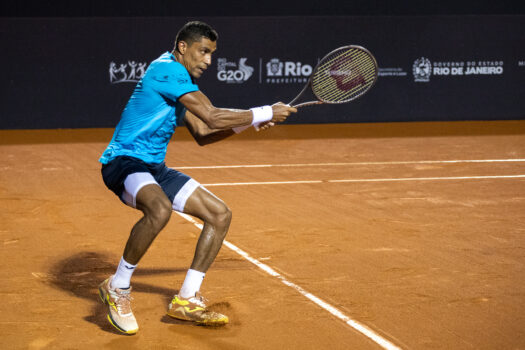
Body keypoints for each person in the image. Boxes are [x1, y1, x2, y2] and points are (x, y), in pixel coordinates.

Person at [97, 21, 297, 334]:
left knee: (219, 214)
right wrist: (265, 112)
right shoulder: (168, 70)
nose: (208, 60)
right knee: (159, 209)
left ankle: (186, 300)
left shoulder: (181, 81)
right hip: (122, 163)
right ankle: (117, 287)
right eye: (203, 52)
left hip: (153, 168)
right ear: (183, 47)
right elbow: (213, 116)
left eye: (212, 54)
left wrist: (249, 124)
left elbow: (204, 132)